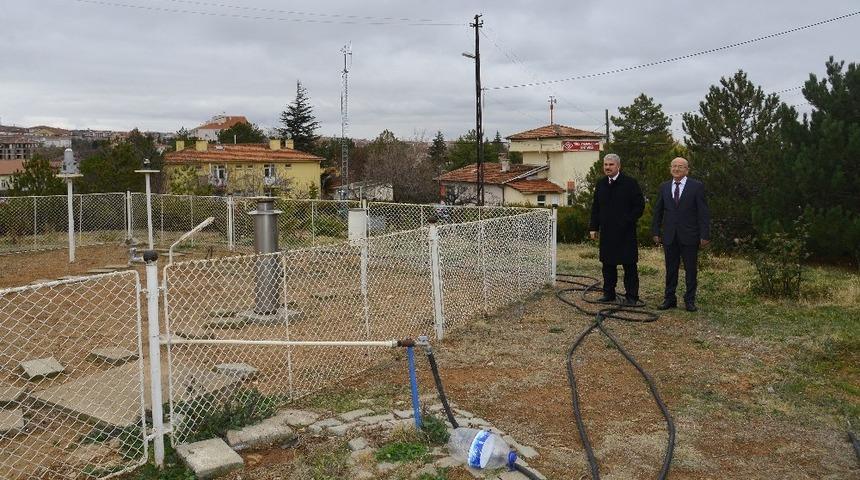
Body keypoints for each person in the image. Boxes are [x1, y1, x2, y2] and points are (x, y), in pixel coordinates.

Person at [651, 157, 710, 312]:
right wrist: (656, 231)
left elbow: (703, 213)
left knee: (690, 270)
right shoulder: (664, 186)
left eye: (680, 167)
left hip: (690, 235)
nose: (676, 169)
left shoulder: (696, 186)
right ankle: (669, 298)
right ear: (670, 168)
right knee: (671, 269)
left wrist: (705, 235)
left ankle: (689, 301)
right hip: (670, 235)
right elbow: (658, 211)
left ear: (687, 170)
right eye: (674, 166)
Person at [589, 154, 645, 305]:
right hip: (607, 232)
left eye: (611, 165)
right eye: (606, 165)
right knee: (608, 265)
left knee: (629, 266)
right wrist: (593, 227)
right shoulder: (601, 184)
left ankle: (632, 297)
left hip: (626, 233)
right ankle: (609, 294)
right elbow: (596, 208)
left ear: (618, 166)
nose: (608, 167)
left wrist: (627, 220)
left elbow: (639, 206)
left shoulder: (630, 183)